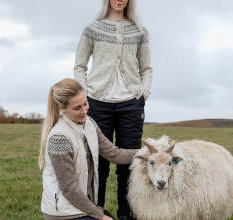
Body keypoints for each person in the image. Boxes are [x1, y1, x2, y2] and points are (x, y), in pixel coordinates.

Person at [74, 0, 152, 219]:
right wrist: (85, 93)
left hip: (131, 104)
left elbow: (146, 68)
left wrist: (143, 94)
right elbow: (79, 65)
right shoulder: (93, 28)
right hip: (98, 102)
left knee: (129, 164)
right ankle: (95, 213)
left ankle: (127, 214)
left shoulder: (139, 31)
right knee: (98, 163)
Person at [38, 78, 138, 220]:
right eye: (77, 108)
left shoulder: (89, 124)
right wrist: (100, 216)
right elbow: (69, 189)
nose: (84, 111)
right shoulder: (59, 138)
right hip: (63, 212)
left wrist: (148, 153)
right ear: (62, 108)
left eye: (85, 104)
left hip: (81, 206)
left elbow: (115, 154)